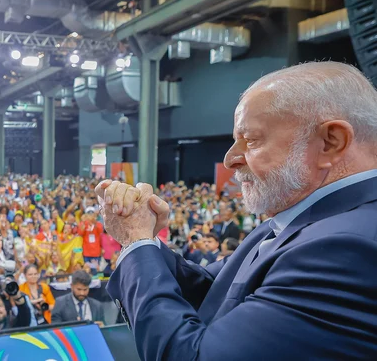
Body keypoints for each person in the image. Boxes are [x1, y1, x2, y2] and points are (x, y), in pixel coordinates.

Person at [97, 62, 377, 360]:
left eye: (252, 140)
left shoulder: (343, 250)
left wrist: (137, 243)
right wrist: (147, 243)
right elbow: (215, 291)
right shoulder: (297, 221)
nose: (230, 159)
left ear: (331, 141)